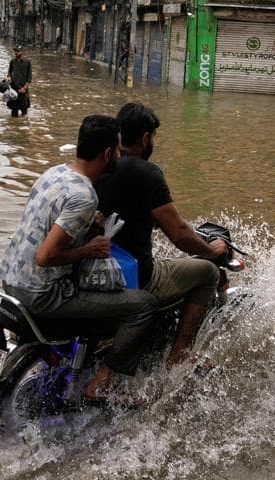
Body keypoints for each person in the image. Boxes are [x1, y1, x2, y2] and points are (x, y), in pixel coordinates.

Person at [0, 115, 156, 403]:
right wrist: (89, 250)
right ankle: (101, 385)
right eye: (118, 151)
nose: (119, 156)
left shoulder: (53, 173)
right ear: (108, 153)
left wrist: (86, 224)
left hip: (11, 284)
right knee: (143, 305)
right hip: (42, 294)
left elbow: (43, 226)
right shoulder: (84, 195)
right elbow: (45, 256)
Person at [95, 103, 228, 366]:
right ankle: (179, 353)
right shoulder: (148, 173)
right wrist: (213, 250)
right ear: (145, 138)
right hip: (137, 276)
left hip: (99, 269)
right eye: (153, 136)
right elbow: (179, 235)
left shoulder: (100, 165)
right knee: (208, 273)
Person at [6, 46, 32, 117]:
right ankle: (14, 126)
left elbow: (29, 78)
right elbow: (9, 73)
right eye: (15, 51)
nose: (16, 53)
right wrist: (8, 79)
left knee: (24, 111)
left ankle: (23, 126)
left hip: (23, 89)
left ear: (22, 52)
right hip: (13, 89)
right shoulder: (12, 61)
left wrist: (24, 88)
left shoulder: (27, 63)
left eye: (18, 51)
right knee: (14, 111)